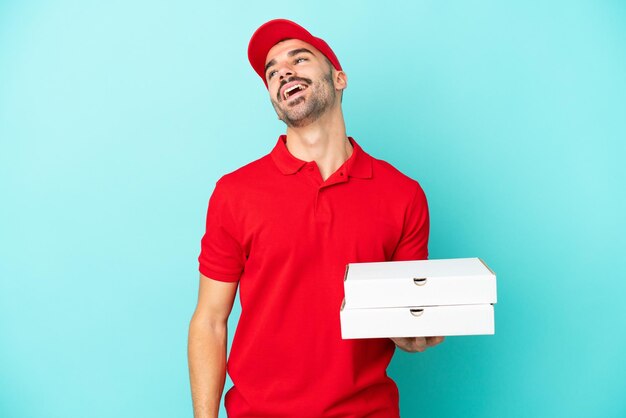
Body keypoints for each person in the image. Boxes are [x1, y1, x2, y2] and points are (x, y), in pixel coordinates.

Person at [188, 19, 444, 418]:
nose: (283, 72)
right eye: (272, 72)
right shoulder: (235, 193)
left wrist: (413, 332)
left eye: (299, 59)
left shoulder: (403, 195)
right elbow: (210, 320)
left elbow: (406, 316)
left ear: (339, 78)